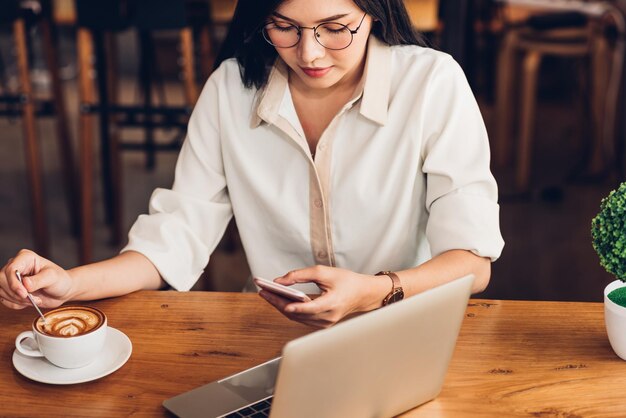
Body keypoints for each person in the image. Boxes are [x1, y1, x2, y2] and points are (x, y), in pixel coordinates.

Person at [0, 0, 504, 328]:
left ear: (374, 12)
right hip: (277, 333)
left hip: (406, 321)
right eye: (284, 27)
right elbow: (174, 238)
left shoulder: (433, 83)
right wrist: (69, 284)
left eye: (335, 29)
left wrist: (376, 291)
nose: (310, 53)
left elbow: (471, 261)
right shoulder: (229, 89)